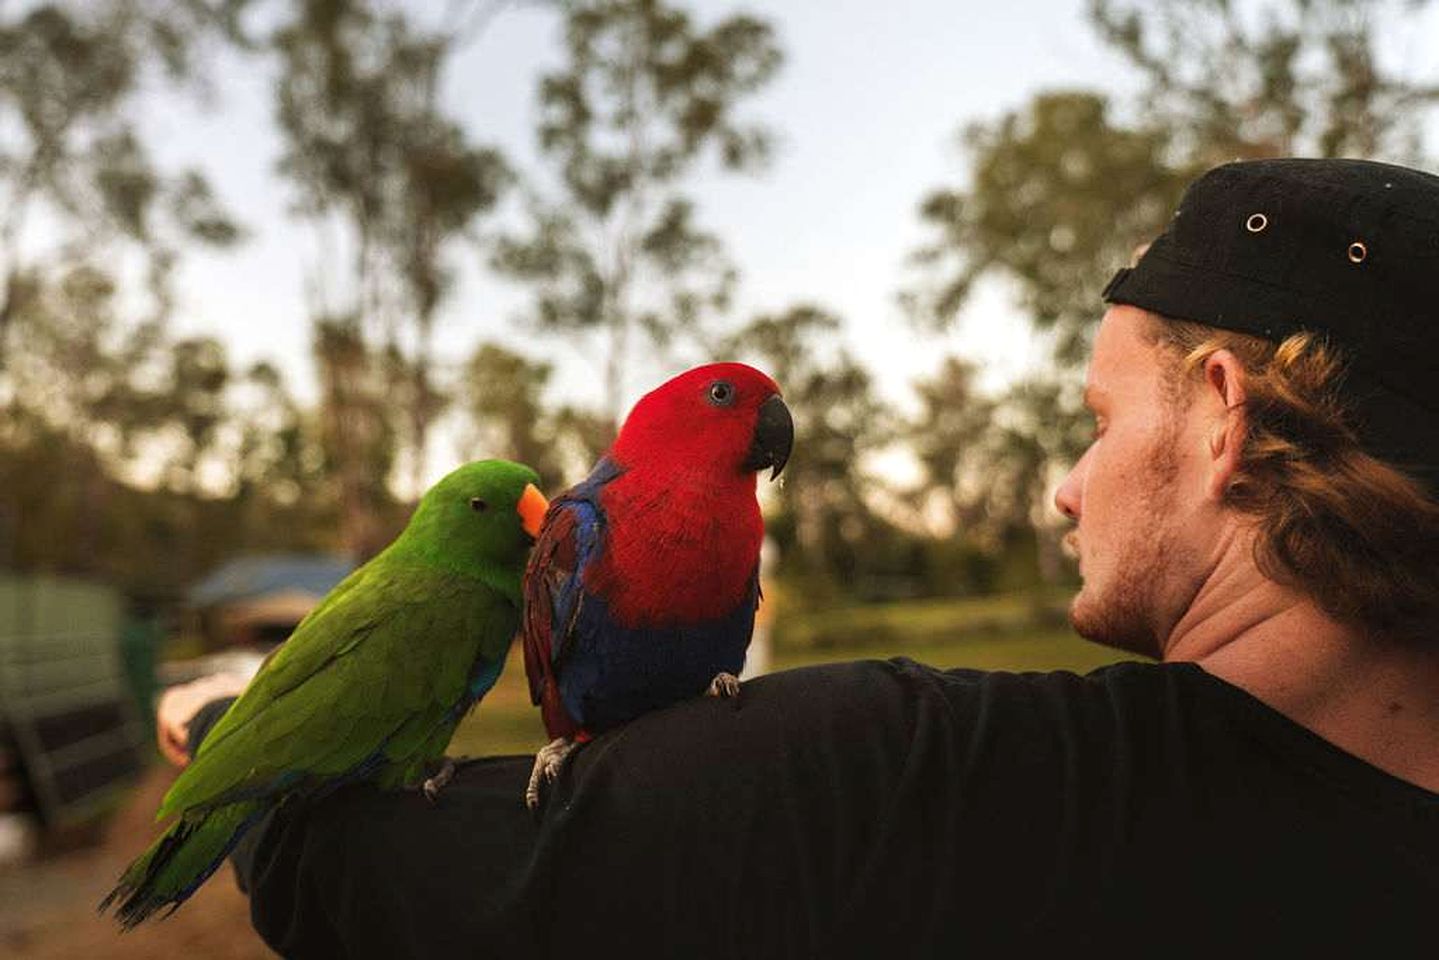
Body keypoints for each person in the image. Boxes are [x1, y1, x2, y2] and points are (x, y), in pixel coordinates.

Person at [158, 158, 1439, 957]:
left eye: (1099, 423)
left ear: (1223, 418)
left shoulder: (881, 789)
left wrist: (232, 724)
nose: (1064, 484)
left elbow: (367, 882)